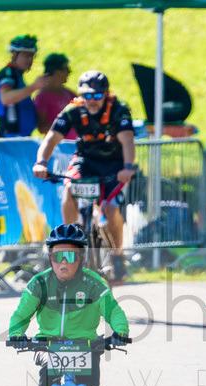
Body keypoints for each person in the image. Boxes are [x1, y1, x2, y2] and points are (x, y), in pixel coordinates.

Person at [8, 223, 130, 386]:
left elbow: (113, 311)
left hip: (86, 347)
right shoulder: (39, 283)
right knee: (46, 380)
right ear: (49, 258)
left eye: (70, 256)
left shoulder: (93, 283)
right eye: (57, 256)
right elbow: (21, 314)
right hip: (49, 346)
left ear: (82, 258)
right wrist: (17, 333)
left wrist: (120, 331)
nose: (63, 262)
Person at [32, 70, 136, 282]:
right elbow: (51, 138)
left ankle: (117, 256)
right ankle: (70, 241)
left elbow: (127, 141)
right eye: (87, 95)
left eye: (97, 95)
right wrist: (41, 162)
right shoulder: (74, 110)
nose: (92, 100)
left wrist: (127, 167)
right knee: (69, 190)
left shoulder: (118, 109)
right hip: (85, 162)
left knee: (110, 209)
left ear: (106, 94)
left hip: (114, 165)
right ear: (81, 95)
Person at [0, 35, 49, 138]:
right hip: (11, 137)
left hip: (21, 137)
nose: (30, 60)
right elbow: (6, 98)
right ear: (14, 54)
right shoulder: (8, 73)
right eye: (26, 55)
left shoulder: (17, 75)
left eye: (32, 56)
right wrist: (33, 87)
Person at [34, 53, 76, 139]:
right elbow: (42, 127)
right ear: (56, 72)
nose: (69, 72)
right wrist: (64, 124)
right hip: (58, 145)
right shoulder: (42, 97)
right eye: (65, 69)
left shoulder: (69, 93)